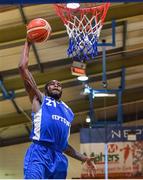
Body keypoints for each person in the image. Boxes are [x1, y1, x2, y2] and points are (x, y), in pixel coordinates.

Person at [18, 39, 96, 179]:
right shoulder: (39, 99)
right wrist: (28, 43)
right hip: (39, 153)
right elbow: (22, 68)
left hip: (59, 159)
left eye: (59, 85)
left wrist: (84, 158)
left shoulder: (68, 111)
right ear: (45, 89)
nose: (56, 85)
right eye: (52, 84)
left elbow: (64, 146)